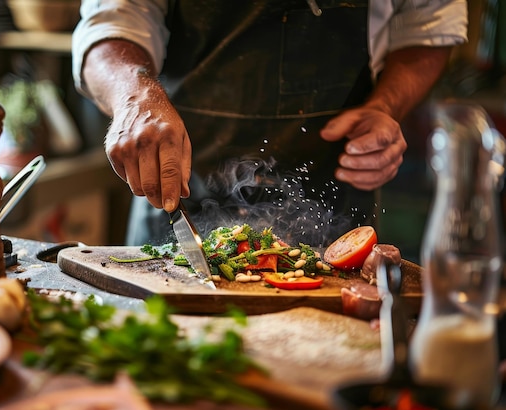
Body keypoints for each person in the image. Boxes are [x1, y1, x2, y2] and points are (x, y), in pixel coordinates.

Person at [72, 0, 468, 246]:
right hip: (178, 194)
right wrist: (134, 96)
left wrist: (385, 106)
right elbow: (111, 20)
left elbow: (428, 24)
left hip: (337, 198)